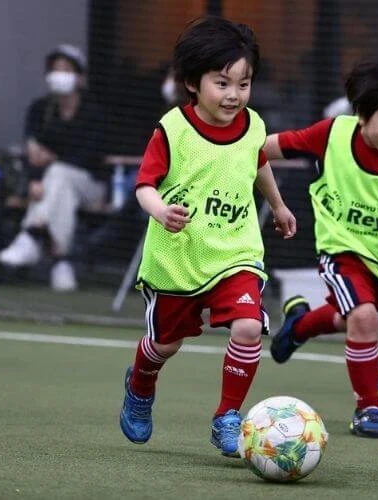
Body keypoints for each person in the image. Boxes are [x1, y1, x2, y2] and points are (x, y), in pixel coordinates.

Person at [118, 17, 296, 457]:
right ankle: (141, 383)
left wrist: (276, 204)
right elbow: (144, 186)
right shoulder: (173, 129)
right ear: (193, 83)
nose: (234, 95)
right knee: (165, 344)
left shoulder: (253, 124)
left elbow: (256, 163)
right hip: (178, 257)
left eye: (244, 83)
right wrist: (160, 210)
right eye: (222, 83)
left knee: (250, 326)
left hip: (235, 251)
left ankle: (227, 417)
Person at [264, 57, 378, 439]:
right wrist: (225, 150)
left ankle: (299, 325)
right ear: (362, 114)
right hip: (339, 250)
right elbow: (267, 147)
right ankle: (369, 407)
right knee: (364, 318)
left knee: (352, 318)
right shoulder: (331, 134)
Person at [0, 44, 107, 291]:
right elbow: (32, 152)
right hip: (50, 186)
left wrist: (51, 162)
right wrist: (35, 179)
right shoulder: (39, 110)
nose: (60, 74)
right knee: (59, 187)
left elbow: (88, 157)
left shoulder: (95, 113)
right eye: (56, 69)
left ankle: (31, 236)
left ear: (80, 77)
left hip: (91, 187)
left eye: (66, 69)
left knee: (58, 175)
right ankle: (61, 263)